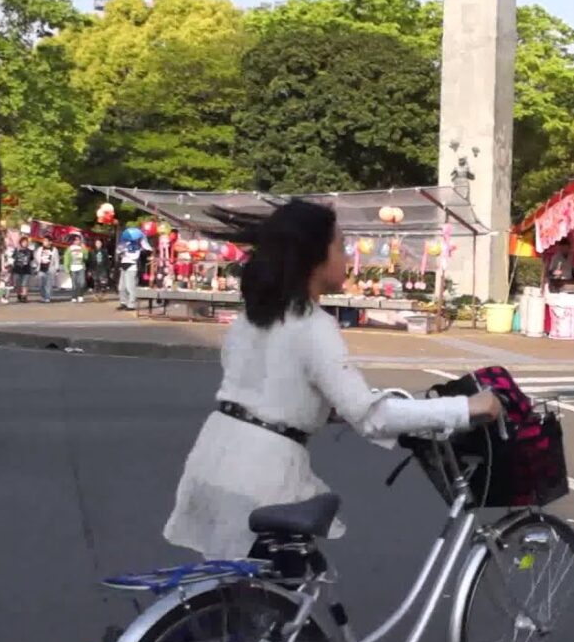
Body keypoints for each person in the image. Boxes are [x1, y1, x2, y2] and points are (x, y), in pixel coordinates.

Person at [163, 200, 502, 560]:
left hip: (213, 456)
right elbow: (374, 418)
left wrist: (323, 407)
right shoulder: (313, 326)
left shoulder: (253, 316)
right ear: (315, 257)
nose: (347, 255)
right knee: (285, 597)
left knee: (242, 599)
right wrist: (467, 407)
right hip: (261, 475)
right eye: (340, 246)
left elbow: (268, 389)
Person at [11, 238, 35, 303]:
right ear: (21, 243)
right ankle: (19, 295)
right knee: (17, 284)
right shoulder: (16, 250)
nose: (25, 243)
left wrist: (33, 268)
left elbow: (32, 260)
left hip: (26, 270)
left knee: (25, 284)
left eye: (26, 242)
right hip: (17, 269)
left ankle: (24, 296)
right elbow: (12, 258)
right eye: (24, 242)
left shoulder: (30, 251)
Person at [64, 235, 87, 303]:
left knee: (82, 283)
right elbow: (66, 258)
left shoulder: (82, 248)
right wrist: (67, 268)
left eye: (78, 240)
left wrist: (85, 249)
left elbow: (86, 257)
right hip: (73, 267)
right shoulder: (70, 248)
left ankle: (80, 296)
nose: (77, 241)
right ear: (73, 241)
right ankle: (74, 296)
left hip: (81, 267)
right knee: (74, 284)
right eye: (76, 240)